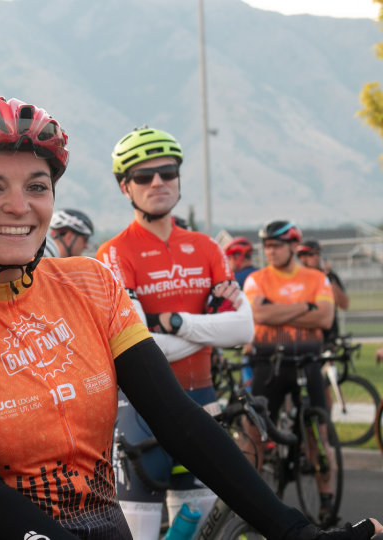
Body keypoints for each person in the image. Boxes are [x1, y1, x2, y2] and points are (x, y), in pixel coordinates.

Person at [0, 98, 380, 540]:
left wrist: (294, 530)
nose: (19, 206)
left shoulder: (91, 283)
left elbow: (177, 419)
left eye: (37, 185)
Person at [96, 126, 254, 538]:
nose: (158, 183)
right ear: (124, 186)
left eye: (167, 172)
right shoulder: (113, 253)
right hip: (140, 412)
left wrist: (175, 322)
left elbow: (243, 328)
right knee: (139, 534)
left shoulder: (207, 247)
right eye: (144, 177)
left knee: (197, 531)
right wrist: (207, 330)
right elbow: (135, 345)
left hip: (204, 403)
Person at [243, 221, 338, 522]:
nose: (269, 251)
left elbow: (324, 318)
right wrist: (303, 307)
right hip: (268, 364)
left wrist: (279, 310)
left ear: (293, 246)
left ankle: (326, 502)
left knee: (318, 432)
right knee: (253, 430)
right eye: (266, 246)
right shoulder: (257, 278)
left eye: (276, 245)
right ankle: (248, 500)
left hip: (308, 362)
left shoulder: (316, 277)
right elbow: (258, 313)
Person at [296, 239, 349, 345]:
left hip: (328, 336)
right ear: (301, 258)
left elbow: (344, 304)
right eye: (311, 254)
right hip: (303, 336)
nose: (316, 257)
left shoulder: (329, 276)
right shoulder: (296, 278)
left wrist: (330, 281)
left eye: (318, 253)